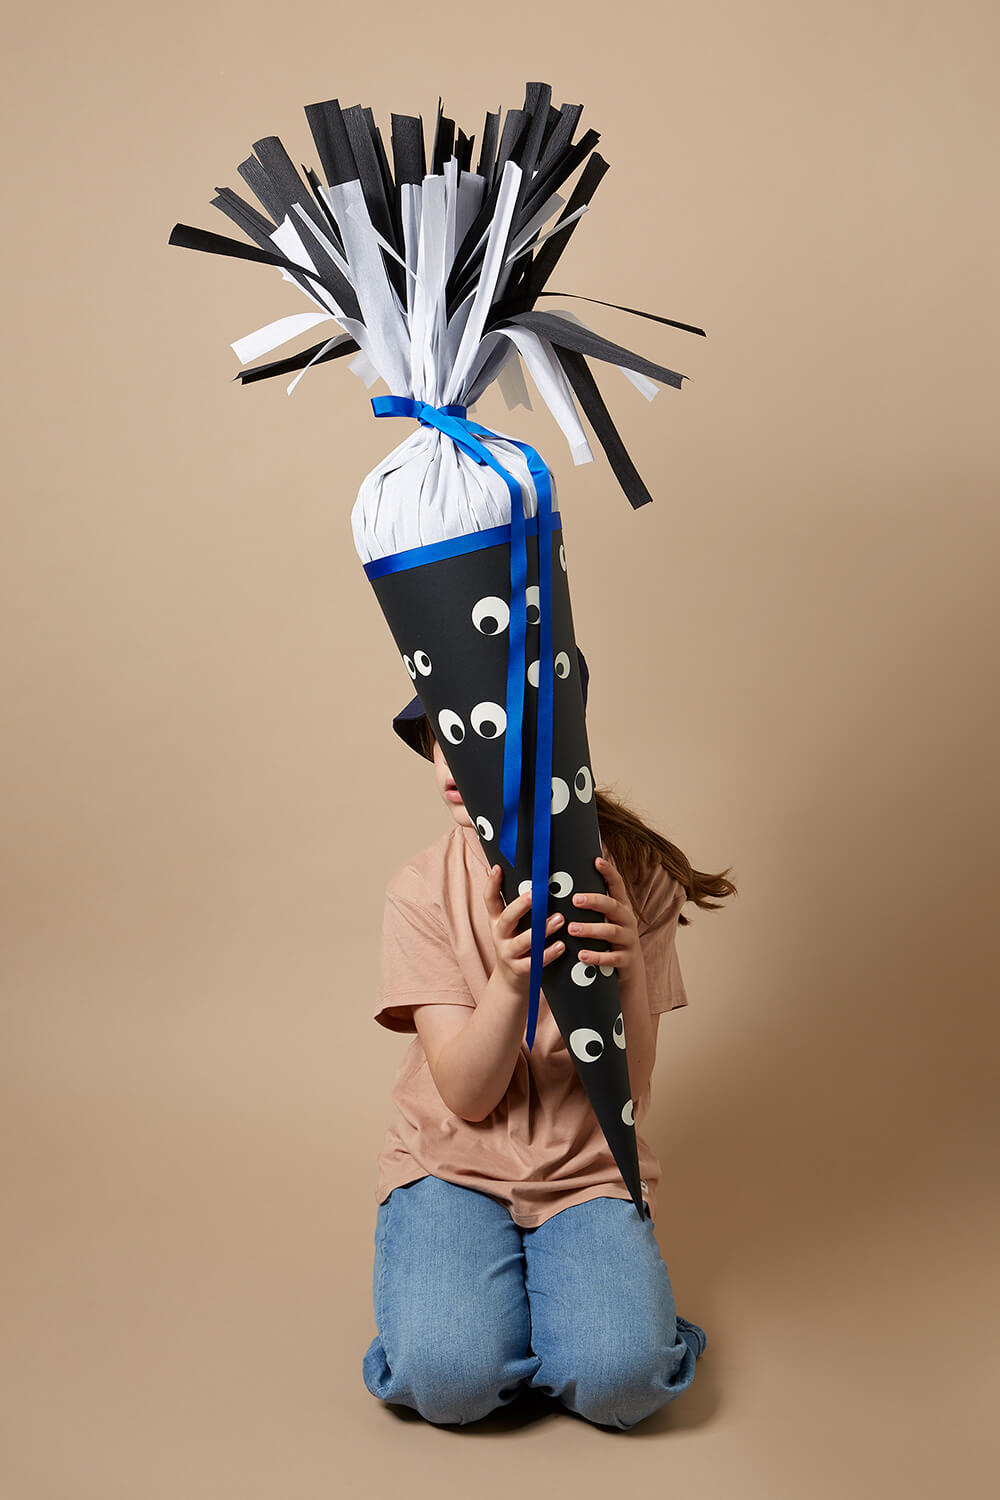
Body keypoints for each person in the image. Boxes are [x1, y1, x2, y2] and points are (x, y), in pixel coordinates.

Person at [362, 648, 736, 1429]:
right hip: (452, 1163)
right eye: (439, 734)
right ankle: (484, 1322)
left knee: (624, 1382)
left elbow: (630, 1094)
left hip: (586, 1167)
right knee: (450, 1380)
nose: (450, 760)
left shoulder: (635, 878)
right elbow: (467, 1097)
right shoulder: (420, 890)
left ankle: (592, 1325)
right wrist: (508, 984)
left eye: (479, 734)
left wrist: (628, 973)